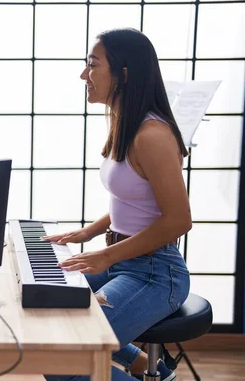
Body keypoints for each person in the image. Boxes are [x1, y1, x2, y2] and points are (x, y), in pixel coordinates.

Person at [43, 28, 191, 381]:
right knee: (46, 309)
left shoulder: (151, 136)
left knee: (65, 363)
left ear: (123, 75)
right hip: (125, 261)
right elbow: (135, 198)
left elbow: (178, 221)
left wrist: (106, 255)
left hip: (156, 273)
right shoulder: (126, 123)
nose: (84, 75)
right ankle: (147, 366)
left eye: (92, 65)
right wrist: (90, 232)